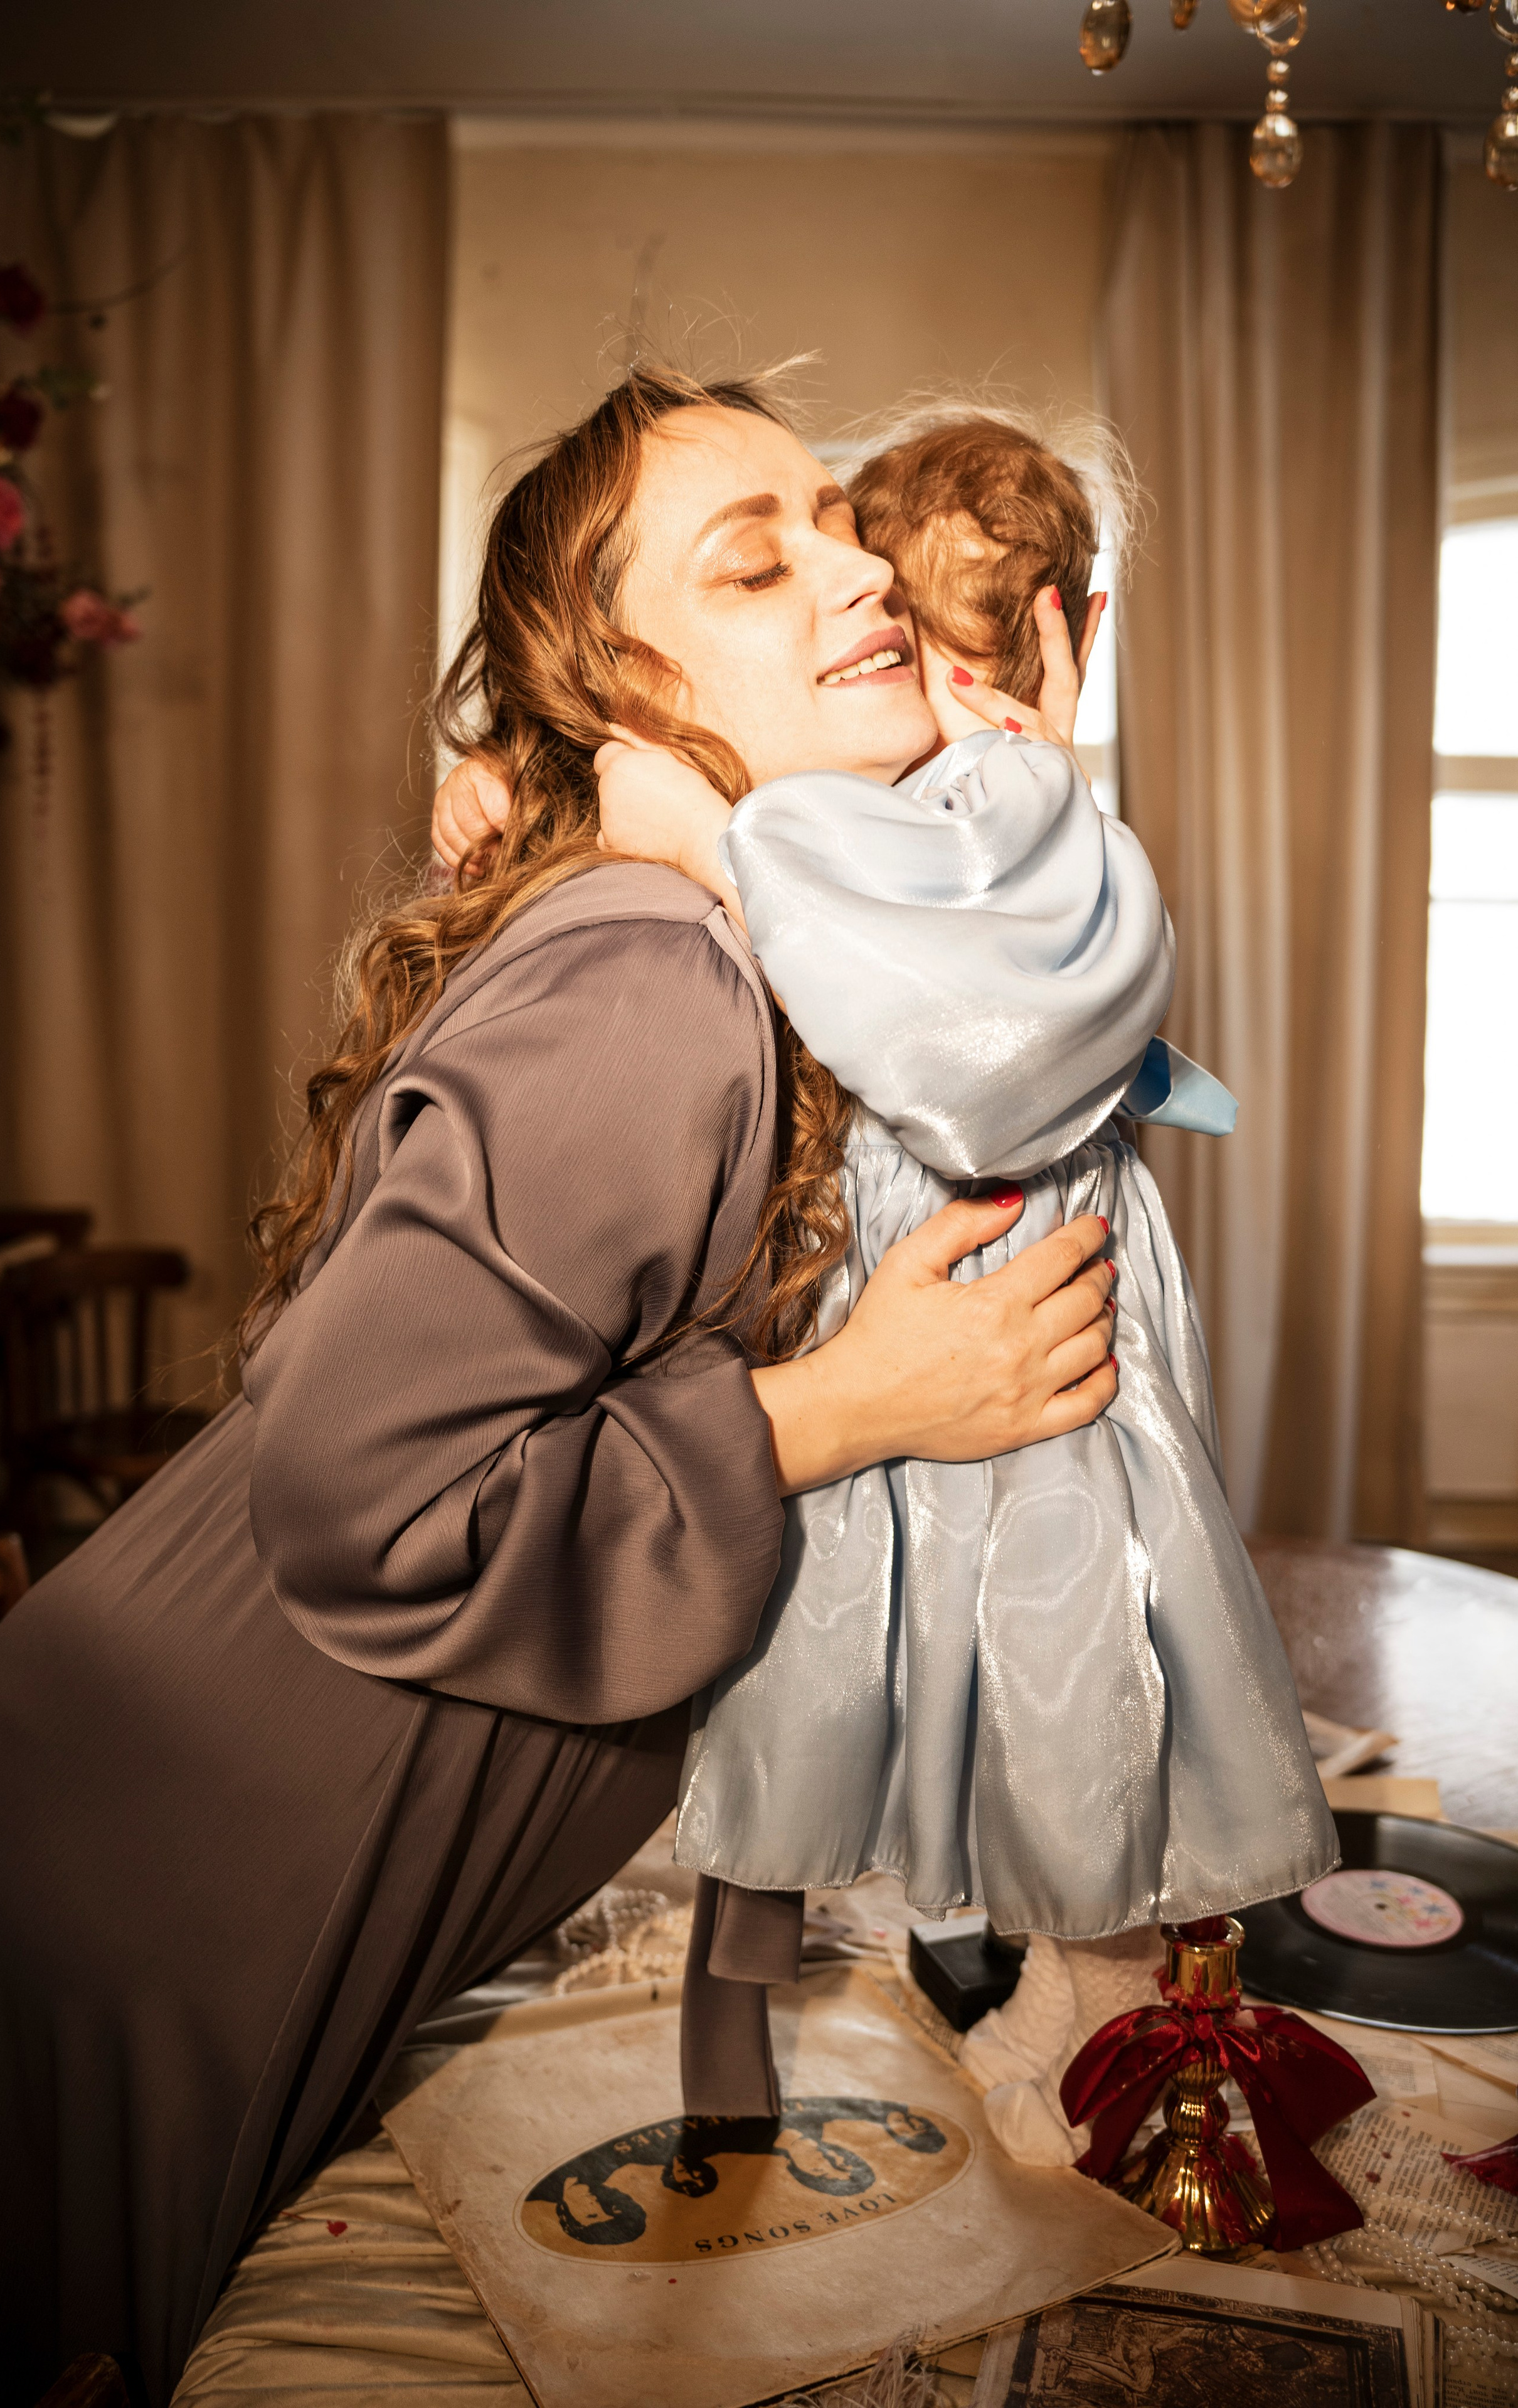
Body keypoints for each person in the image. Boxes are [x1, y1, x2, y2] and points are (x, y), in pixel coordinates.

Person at [0, 366, 1118, 2408]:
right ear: (624, 695)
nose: (857, 571)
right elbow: (383, 1505)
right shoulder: (657, 970)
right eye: (759, 562)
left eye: (837, 520)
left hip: (167, 1746)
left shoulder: (713, 933)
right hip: (205, 1809)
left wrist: (1016, 791)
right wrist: (853, 1405)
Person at [436, 400, 1335, 2124]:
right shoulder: (810, 811)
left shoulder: (1005, 808)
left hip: (1019, 1292)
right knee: (805, 1671)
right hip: (877, 1308)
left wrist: (1012, 783)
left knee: (1065, 1651)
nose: (916, 628)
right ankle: (765, 2033)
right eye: (918, 599)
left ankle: (1084, 1996)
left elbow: (1018, 1040)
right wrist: (542, 801)